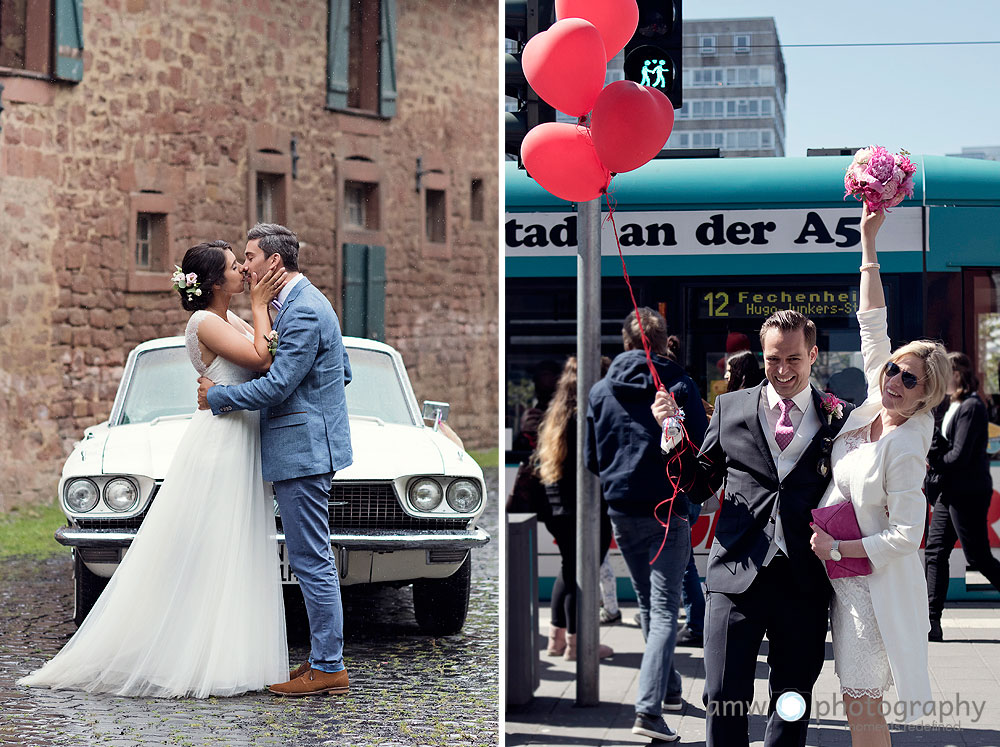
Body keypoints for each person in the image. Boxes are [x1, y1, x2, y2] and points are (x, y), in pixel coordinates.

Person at [19, 241, 289, 697]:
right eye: (233, 267)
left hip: (241, 440)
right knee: (213, 546)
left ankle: (231, 653)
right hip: (220, 446)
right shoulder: (204, 322)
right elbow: (262, 358)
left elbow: (271, 348)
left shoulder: (230, 319)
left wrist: (264, 308)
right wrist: (262, 303)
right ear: (214, 283)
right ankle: (196, 658)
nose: (243, 270)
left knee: (237, 545)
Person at [653, 309, 854, 747]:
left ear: (813, 354)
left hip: (804, 579)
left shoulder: (839, 417)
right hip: (735, 573)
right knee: (723, 697)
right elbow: (700, 481)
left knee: (792, 698)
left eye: (793, 360)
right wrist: (672, 436)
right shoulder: (730, 407)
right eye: (772, 360)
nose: (782, 371)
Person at [809, 204, 949, 743]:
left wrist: (838, 551)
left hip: (867, 585)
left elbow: (907, 536)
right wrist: (868, 243)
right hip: (836, 575)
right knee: (854, 702)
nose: (894, 380)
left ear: (926, 393)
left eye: (908, 380)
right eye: (893, 369)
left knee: (861, 705)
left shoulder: (908, 445)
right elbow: (874, 323)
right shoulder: (873, 401)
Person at [198, 223, 353, 697]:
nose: (244, 266)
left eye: (249, 257)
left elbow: (278, 385)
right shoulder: (295, 305)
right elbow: (341, 371)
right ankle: (323, 659)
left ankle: (329, 666)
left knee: (311, 560)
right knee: (310, 557)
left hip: (303, 451)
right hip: (305, 443)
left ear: (274, 263)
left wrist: (219, 395)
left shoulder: (303, 309)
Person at [587, 307, 709, 743]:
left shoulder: (600, 390)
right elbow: (703, 443)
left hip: (621, 508)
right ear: (662, 343)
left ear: (624, 342)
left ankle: (670, 690)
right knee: (663, 612)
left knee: (646, 603)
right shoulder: (678, 385)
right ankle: (648, 711)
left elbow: (591, 458)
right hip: (666, 507)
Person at [535, 356, 614, 660]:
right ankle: (577, 644)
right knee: (582, 572)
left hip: (557, 505)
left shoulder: (558, 412)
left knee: (568, 569)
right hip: (581, 507)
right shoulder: (588, 414)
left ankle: (557, 640)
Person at [924, 351, 1000, 641]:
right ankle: (932, 622)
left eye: (945, 372)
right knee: (935, 552)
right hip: (950, 490)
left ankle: (932, 621)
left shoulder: (972, 407)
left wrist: (932, 458)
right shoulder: (953, 405)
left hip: (966, 492)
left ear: (957, 374)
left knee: (978, 557)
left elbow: (959, 456)